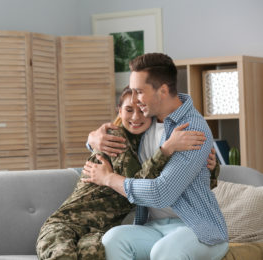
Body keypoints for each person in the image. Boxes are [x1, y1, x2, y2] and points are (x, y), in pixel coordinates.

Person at [36, 86, 218, 260]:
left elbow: (185, 180)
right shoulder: (116, 140)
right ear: (119, 111)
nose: (136, 117)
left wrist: (210, 165)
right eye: (129, 110)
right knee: (63, 257)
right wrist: (166, 149)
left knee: (96, 254)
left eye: (141, 110)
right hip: (67, 224)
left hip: (98, 232)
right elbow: (138, 185)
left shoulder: (147, 142)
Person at [83, 53, 229, 260]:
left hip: (197, 228)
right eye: (132, 92)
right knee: (113, 239)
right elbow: (119, 132)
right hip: (154, 226)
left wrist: (109, 179)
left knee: (165, 251)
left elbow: (162, 193)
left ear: (162, 90)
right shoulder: (147, 121)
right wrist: (92, 140)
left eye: (139, 92)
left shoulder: (193, 130)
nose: (134, 99)